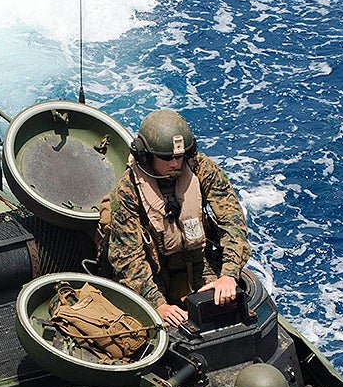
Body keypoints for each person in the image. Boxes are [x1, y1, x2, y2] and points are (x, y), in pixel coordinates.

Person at [100, 108, 249, 327]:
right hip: (153, 271)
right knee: (155, 327)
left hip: (197, 262)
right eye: (166, 158)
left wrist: (229, 274)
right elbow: (127, 256)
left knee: (223, 312)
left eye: (179, 157)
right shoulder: (128, 189)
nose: (175, 164)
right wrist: (157, 304)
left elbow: (232, 220)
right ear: (145, 155)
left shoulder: (201, 168)